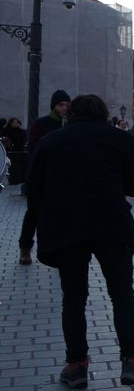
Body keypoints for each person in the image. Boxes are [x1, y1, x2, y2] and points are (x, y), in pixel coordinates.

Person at [26, 94, 134, 389]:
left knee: (73, 298)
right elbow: (133, 187)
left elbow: (33, 189)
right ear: (101, 113)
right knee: (122, 294)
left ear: (70, 113)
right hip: (112, 226)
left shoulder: (51, 142)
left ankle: (76, 366)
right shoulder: (119, 139)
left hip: (67, 229)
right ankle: (133, 362)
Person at [19, 90, 70, 265]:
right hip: (41, 177)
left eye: (66, 105)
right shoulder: (41, 124)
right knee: (33, 214)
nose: (64, 108)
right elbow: (34, 150)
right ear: (54, 106)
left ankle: (59, 249)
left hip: (61, 178)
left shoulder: (69, 125)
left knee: (61, 215)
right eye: (61, 104)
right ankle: (25, 248)